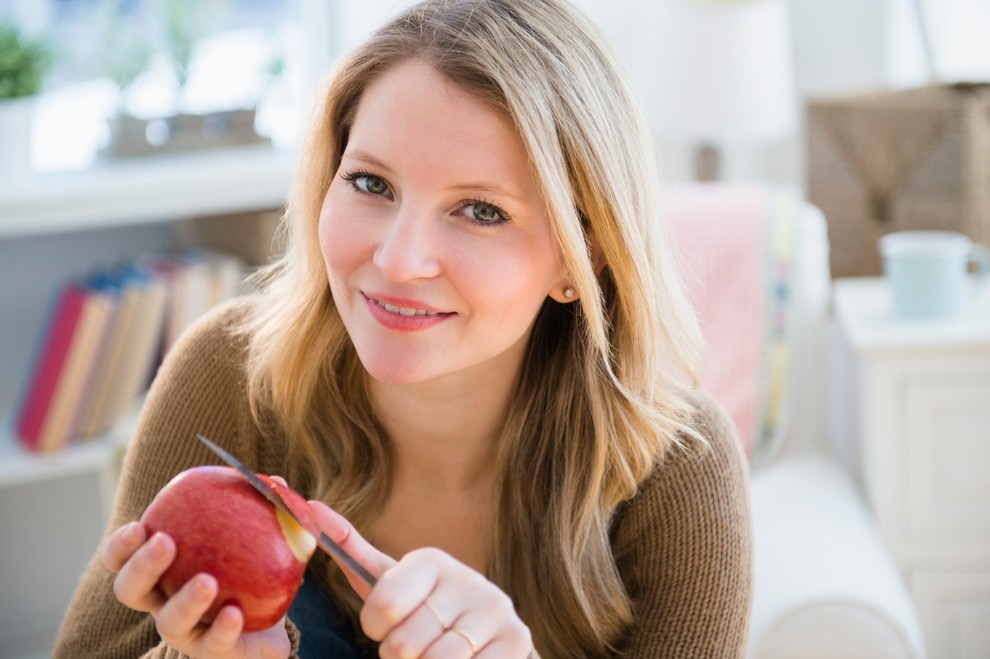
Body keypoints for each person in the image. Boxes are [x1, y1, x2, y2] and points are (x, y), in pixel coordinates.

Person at [53, 0, 752, 657]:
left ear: (581, 258)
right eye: (371, 184)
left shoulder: (680, 469)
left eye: (480, 211)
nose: (396, 259)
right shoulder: (228, 369)